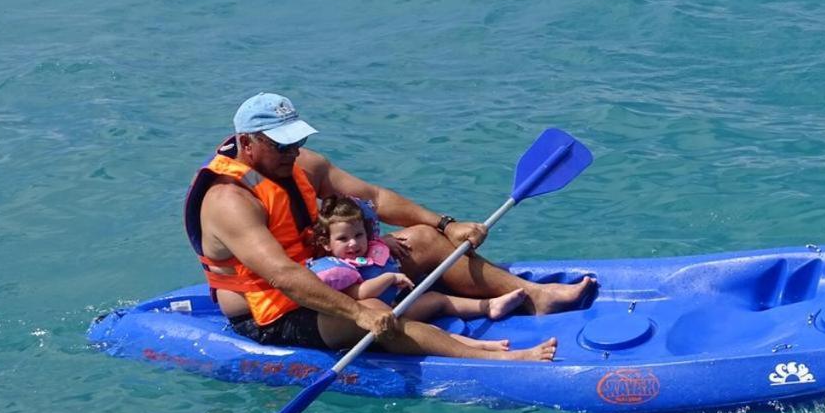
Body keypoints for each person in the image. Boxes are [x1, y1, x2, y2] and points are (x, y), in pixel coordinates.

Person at [183, 91, 595, 361]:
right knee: (378, 310)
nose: (293, 152)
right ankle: (494, 358)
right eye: (280, 144)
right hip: (271, 312)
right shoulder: (229, 200)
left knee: (421, 240)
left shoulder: (300, 165)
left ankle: (536, 296)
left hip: (327, 271)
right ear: (247, 141)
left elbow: (374, 200)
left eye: (296, 142)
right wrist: (358, 313)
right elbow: (284, 276)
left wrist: (446, 224)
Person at [307, 195, 526, 351]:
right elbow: (361, 292)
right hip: (380, 317)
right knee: (425, 330)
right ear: (326, 244)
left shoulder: (370, 249)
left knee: (437, 299)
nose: (353, 243)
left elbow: (372, 239)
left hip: (398, 305)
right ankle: (481, 346)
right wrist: (390, 278)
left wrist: (384, 243)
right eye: (343, 239)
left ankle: (489, 306)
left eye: (359, 235)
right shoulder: (337, 270)